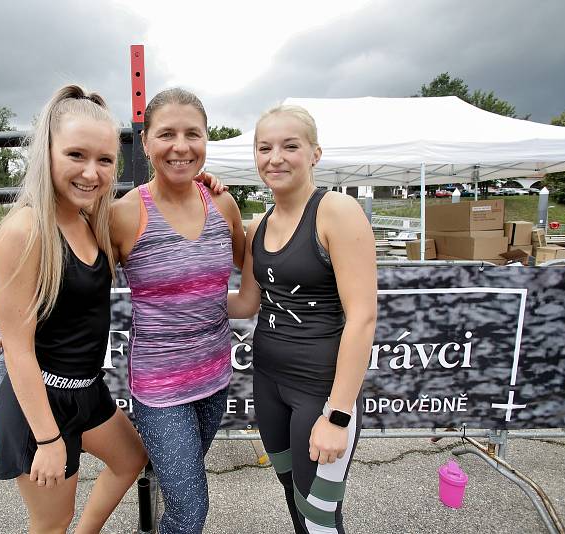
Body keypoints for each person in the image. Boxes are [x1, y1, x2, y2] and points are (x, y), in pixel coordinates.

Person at [0, 85, 147, 534]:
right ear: (48, 152)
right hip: (40, 401)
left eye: (104, 160)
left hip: (87, 390)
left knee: (130, 458)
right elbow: (19, 354)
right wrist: (48, 439)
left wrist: (206, 186)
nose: (91, 173)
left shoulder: (89, 219)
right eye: (76, 155)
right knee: (51, 521)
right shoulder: (26, 229)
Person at [227, 105, 377, 534]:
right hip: (268, 384)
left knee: (320, 517)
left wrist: (338, 415)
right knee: (297, 503)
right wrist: (180, 299)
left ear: (314, 153)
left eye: (290, 146)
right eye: (264, 147)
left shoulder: (337, 212)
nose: (275, 157)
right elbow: (245, 305)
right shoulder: (259, 227)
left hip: (319, 392)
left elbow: (363, 318)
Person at [110, 88, 245, 534]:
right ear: (145, 141)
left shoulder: (222, 204)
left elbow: (257, 262)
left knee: (179, 498)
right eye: (166, 133)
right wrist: (18, 324)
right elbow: (77, 281)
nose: (181, 146)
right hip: (159, 390)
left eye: (194, 134)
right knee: (191, 510)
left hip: (214, 378)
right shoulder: (125, 214)